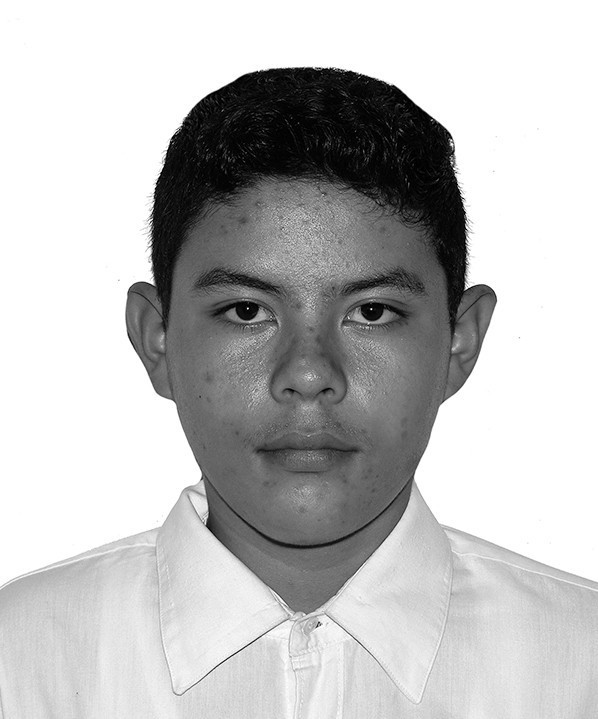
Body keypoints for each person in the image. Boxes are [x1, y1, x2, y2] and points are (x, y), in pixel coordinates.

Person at [0, 67, 596, 718]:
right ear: (158, 340)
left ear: (459, 342)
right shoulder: (21, 665)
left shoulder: (580, 668)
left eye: (372, 312)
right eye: (247, 311)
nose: (309, 373)